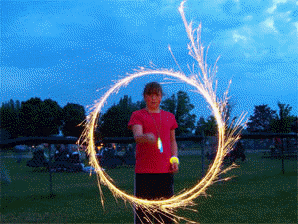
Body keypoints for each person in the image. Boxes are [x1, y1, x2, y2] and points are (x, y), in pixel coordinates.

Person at [128, 82, 179, 224]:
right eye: (150, 95)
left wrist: (174, 158)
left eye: (157, 95)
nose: (153, 98)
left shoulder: (169, 117)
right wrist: (146, 137)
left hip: (165, 172)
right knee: (143, 216)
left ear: (161, 97)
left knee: (165, 216)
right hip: (144, 173)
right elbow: (137, 136)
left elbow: (173, 141)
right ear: (145, 97)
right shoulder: (138, 115)